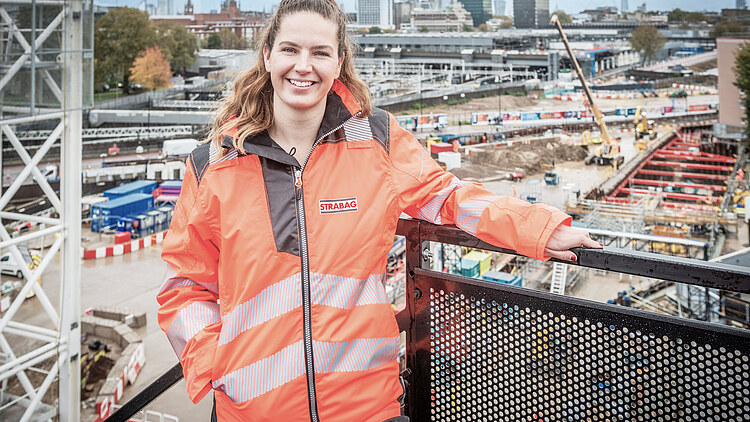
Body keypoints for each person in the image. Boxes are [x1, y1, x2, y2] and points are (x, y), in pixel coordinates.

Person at [156, 1, 601, 421]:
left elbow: (448, 197)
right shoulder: (214, 164)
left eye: (320, 52)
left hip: (366, 405)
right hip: (252, 410)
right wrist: (215, 365)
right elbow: (185, 285)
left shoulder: (377, 141)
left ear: (339, 62)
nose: (303, 65)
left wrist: (541, 229)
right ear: (268, 55)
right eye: (290, 49)